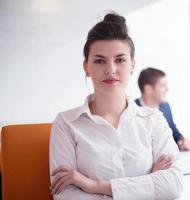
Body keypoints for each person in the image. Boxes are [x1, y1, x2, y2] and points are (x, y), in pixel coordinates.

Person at [49, 13, 182, 200]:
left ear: (132, 65)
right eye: (99, 60)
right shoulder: (66, 123)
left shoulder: (154, 120)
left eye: (120, 60)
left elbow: (173, 186)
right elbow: (66, 196)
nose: (110, 69)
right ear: (86, 67)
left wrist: (93, 186)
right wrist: (148, 182)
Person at [135, 67, 190, 151]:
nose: (167, 89)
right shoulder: (132, 110)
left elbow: (172, 129)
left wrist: (181, 141)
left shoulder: (165, 107)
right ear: (148, 89)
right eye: (162, 85)